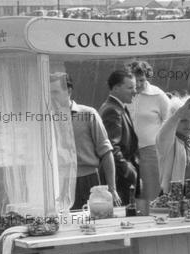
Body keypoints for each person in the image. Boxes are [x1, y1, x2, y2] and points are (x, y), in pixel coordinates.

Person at [50, 72, 121, 209]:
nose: (51, 97)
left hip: (88, 181)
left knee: (93, 224)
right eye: (49, 93)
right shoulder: (46, 120)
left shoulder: (88, 114)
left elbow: (106, 152)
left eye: (55, 92)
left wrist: (112, 189)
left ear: (69, 91)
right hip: (59, 183)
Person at [126, 60, 170, 212]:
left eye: (142, 80)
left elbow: (169, 122)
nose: (138, 83)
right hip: (128, 154)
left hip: (151, 151)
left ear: (148, 77)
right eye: (135, 80)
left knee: (151, 193)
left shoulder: (159, 95)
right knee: (133, 194)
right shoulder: (126, 94)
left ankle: (153, 222)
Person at [99, 69, 139, 205]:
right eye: (130, 88)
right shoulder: (112, 110)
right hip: (119, 180)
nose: (135, 91)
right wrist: (129, 171)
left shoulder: (118, 107)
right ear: (116, 88)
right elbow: (112, 148)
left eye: (135, 87)